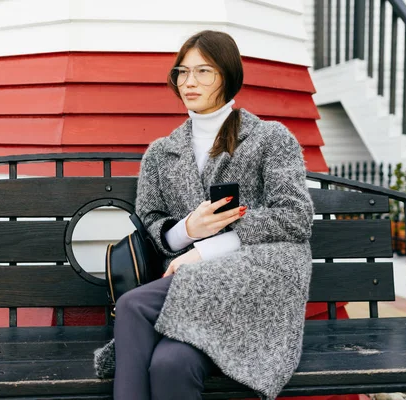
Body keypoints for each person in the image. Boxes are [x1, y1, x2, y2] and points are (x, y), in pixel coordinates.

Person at [94, 30, 315, 400]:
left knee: (133, 304)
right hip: (194, 290)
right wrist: (185, 230)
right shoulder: (161, 153)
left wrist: (208, 247)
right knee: (171, 365)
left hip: (256, 281)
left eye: (204, 72)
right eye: (182, 72)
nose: (189, 82)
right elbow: (151, 221)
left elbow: (295, 217)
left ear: (226, 76)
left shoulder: (270, 139)